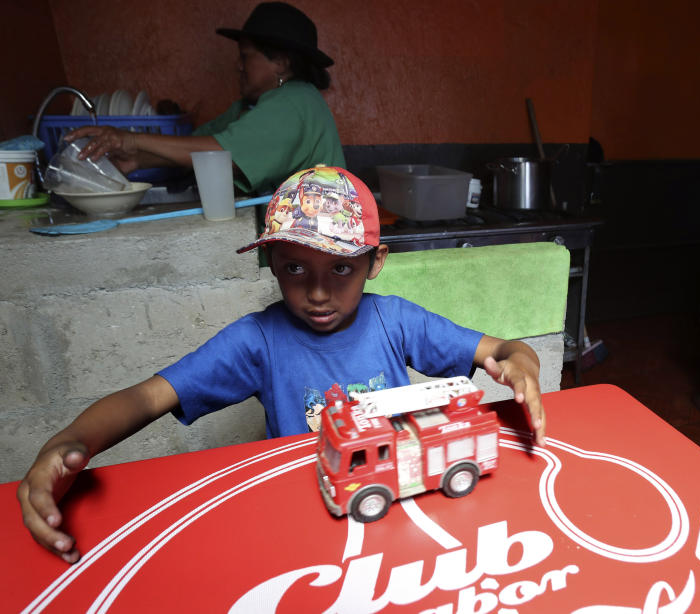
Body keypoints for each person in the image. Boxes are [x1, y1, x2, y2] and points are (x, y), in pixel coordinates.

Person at [17, 166, 546, 564]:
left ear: (374, 262)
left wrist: (521, 363)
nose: (317, 292)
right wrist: (66, 445)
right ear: (271, 262)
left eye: (341, 268)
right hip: (300, 522)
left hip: (396, 506)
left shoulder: (397, 321)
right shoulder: (258, 341)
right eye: (295, 267)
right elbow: (146, 397)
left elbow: (503, 352)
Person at [66, 2, 345, 194]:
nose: (238, 66)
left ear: (281, 63)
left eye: (246, 56)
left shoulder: (293, 102)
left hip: (316, 247)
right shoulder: (254, 107)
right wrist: (139, 159)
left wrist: (130, 140)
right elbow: (200, 146)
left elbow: (224, 153)